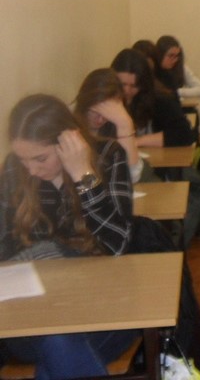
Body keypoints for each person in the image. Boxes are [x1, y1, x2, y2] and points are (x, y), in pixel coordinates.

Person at [0, 94, 137, 378]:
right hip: (34, 313)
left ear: (68, 142)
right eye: (24, 160)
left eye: (40, 158)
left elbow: (118, 245)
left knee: (58, 347)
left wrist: (83, 175)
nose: (32, 170)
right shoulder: (14, 168)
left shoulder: (108, 156)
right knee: (57, 342)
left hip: (102, 307)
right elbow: (5, 249)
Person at [111, 48, 200, 245]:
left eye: (133, 86)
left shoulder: (160, 99)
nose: (127, 91)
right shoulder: (108, 103)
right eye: (122, 84)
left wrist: (137, 141)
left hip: (156, 168)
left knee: (185, 190)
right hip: (128, 172)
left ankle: (172, 242)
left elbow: (184, 134)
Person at [74, 68, 156, 185]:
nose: (101, 119)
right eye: (96, 111)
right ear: (85, 103)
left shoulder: (112, 127)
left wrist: (124, 125)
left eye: (107, 114)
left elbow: (132, 176)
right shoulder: (71, 130)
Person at [156, 35, 200, 100]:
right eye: (171, 56)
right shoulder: (152, 69)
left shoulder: (180, 68)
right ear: (160, 54)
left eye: (176, 56)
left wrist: (178, 92)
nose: (175, 60)